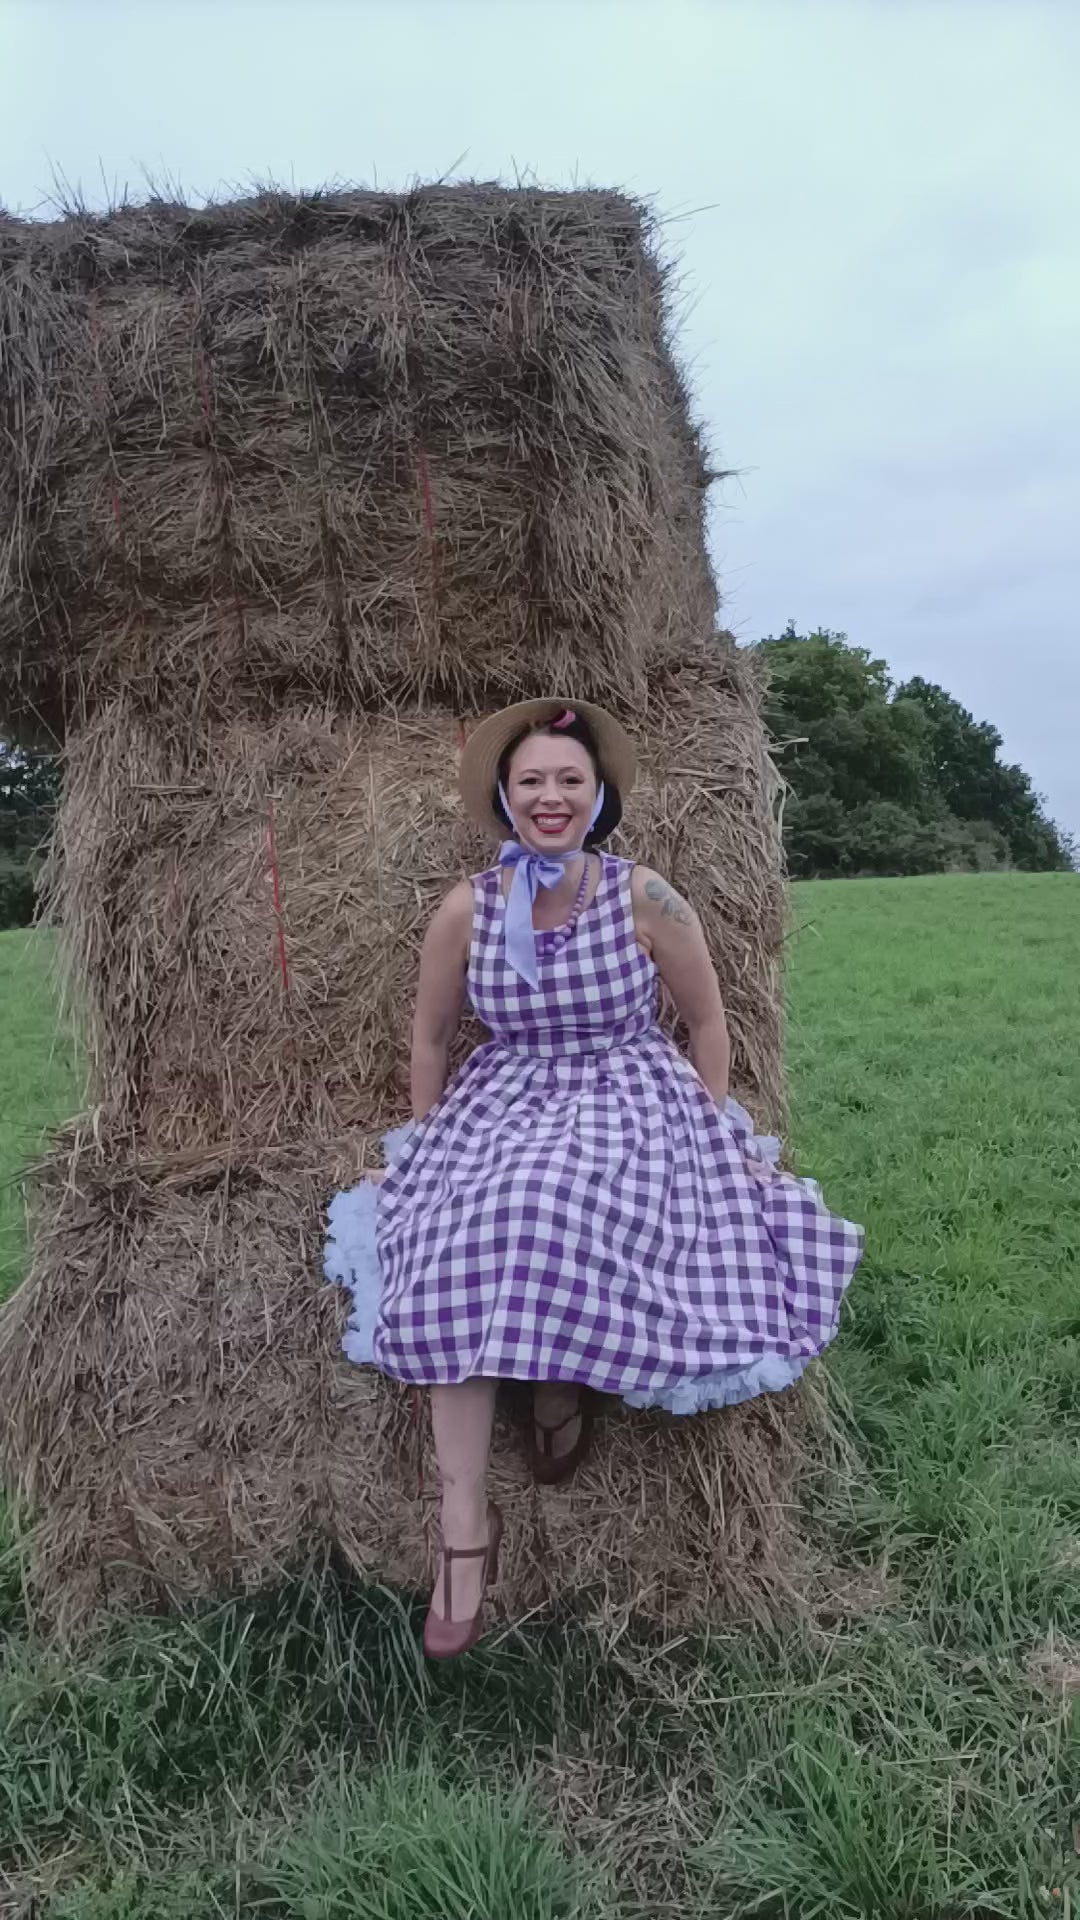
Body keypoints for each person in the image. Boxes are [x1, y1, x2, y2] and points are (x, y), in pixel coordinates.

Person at [326, 697, 863, 1660]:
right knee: (466, 1227)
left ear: (598, 795)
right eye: (531, 779)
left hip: (627, 1090)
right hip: (505, 1093)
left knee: (552, 1202)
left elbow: (706, 1023)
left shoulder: (645, 896)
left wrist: (711, 1133)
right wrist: (422, 1141)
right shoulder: (469, 907)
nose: (550, 796)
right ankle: (462, 1527)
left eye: (569, 780)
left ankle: (557, 1394)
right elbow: (433, 1035)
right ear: (504, 794)